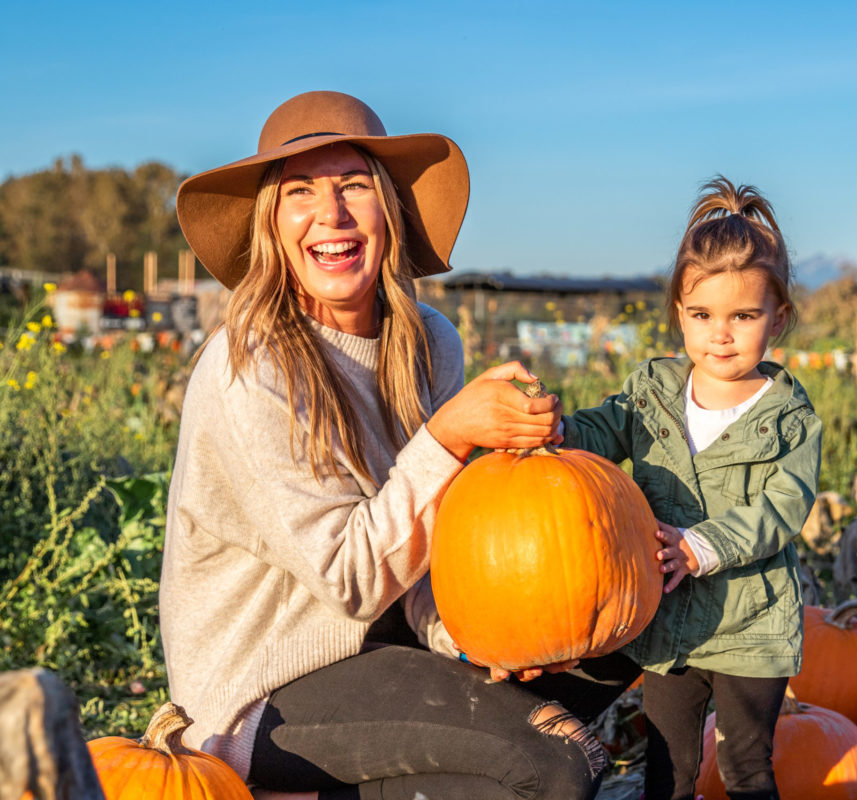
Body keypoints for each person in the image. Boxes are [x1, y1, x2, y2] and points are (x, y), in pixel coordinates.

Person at [161, 90, 639, 800]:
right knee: (554, 765)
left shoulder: (429, 342)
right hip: (267, 687)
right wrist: (447, 438)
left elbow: (437, 542)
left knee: (623, 635)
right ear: (272, 222)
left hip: (393, 646)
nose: (332, 214)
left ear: (389, 208)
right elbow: (350, 580)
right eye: (301, 193)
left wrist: (472, 638)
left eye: (354, 185)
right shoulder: (249, 366)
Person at [560, 177, 822, 800]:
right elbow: (604, 429)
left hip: (750, 627)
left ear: (777, 319)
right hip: (667, 628)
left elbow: (783, 508)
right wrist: (558, 430)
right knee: (667, 770)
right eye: (702, 315)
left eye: (743, 316)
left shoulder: (789, 418)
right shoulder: (651, 391)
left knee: (745, 770)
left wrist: (703, 546)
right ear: (680, 313)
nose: (720, 334)